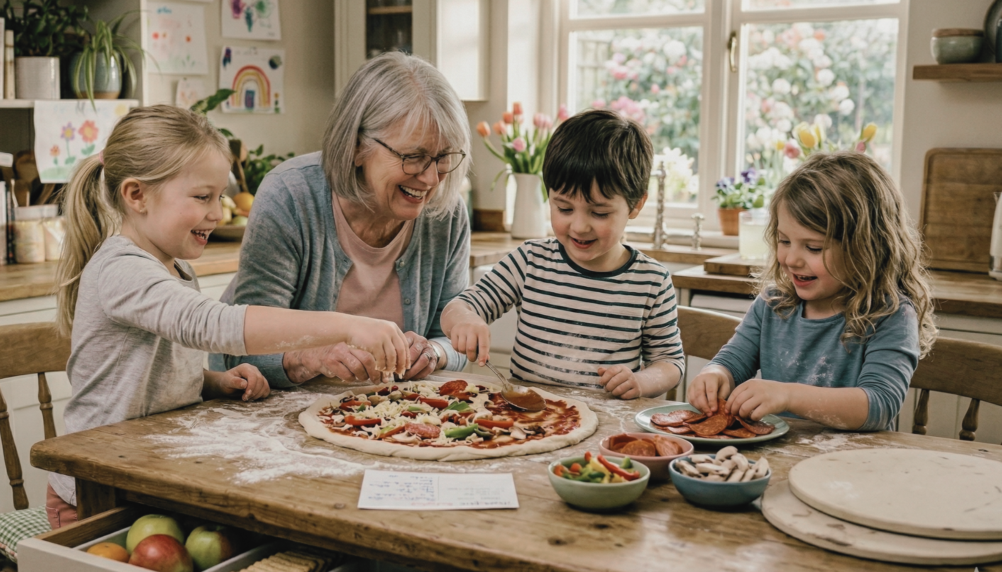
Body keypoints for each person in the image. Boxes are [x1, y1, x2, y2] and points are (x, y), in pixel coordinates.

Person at [49, 105, 410, 529]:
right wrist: (347, 325)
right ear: (136, 195)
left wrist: (212, 382)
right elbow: (214, 325)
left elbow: (143, 372)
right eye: (202, 197)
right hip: (97, 490)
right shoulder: (121, 269)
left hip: (145, 471)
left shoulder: (175, 266)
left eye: (219, 196)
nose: (218, 213)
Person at [210, 51, 471, 387]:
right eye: (413, 157)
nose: (432, 178)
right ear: (357, 146)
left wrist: (435, 352)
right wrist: (309, 357)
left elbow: (456, 336)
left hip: (381, 419)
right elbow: (242, 349)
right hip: (268, 415)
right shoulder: (290, 196)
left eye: (443, 157)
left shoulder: (445, 215)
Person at [441, 109, 685, 399]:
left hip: (607, 426)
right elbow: (458, 307)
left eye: (599, 212)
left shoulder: (651, 281)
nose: (579, 226)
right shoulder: (531, 261)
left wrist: (641, 381)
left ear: (635, 205)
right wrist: (466, 320)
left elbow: (670, 363)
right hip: (529, 420)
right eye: (564, 208)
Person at [688, 151, 937, 431]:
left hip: (857, 467)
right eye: (784, 240)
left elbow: (879, 404)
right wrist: (715, 374)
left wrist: (788, 395)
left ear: (865, 248)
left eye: (813, 248)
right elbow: (733, 361)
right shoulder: (773, 305)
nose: (792, 259)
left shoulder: (890, 315)